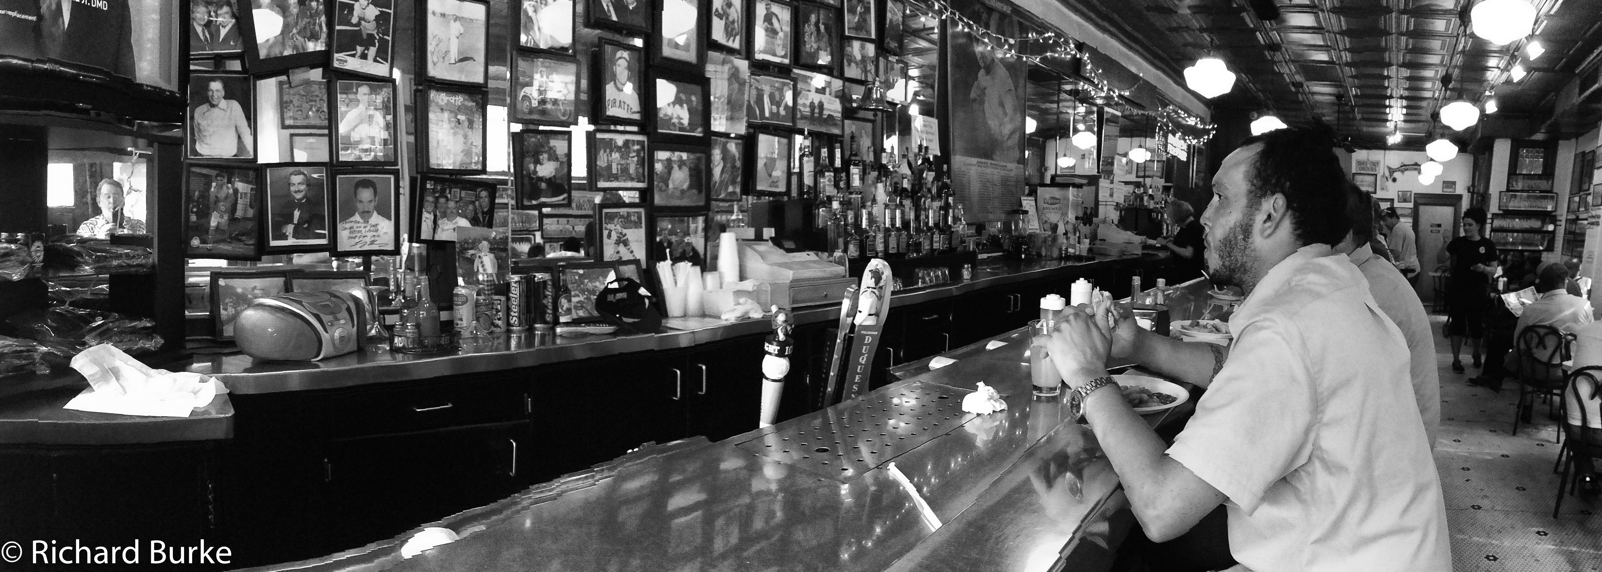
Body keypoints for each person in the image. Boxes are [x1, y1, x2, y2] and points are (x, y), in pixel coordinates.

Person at [1045, 125, 1449, 571]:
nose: (1205, 216)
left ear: (1270, 215)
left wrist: (1087, 374)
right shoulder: (1331, 289)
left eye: (1221, 197)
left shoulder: (1289, 327)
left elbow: (1161, 507)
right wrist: (1138, 344)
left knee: (1130, 550)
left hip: (1341, 559)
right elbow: (1244, 371)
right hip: (1364, 548)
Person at [1337, 190, 1439, 449]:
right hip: (1397, 434)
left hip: (1401, 446)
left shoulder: (1367, 289)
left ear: (1344, 236)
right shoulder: (1365, 270)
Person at [1473, 263, 1594, 393]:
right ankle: (1498, 377)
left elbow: (1518, 344)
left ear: (1541, 283)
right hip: (1569, 368)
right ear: (1565, 282)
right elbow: (1588, 336)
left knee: (1508, 340)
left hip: (1535, 368)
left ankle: (1496, 377)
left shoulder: (1531, 309)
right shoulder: (1584, 305)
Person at [1441, 207, 1499, 374]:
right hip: (1458, 289)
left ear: (1478, 225)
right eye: (1464, 224)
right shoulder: (1458, 243)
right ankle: (1456, 359)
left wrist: (1484, 269)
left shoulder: (1487, 245)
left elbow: (1494, 269)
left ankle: (1476, 352)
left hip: (1477, 290)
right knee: (1457, 326)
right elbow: (1440, 259)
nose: (1466, 228)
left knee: (1476, 326)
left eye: (1470, 224)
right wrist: (1445, 242)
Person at [192, 78, 255, 158]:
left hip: (227, 160)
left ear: (223, 93)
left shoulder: (233, 106)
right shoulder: (199, 111)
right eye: (210, 90)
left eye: (217, 91)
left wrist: (255, 156)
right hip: (204, 159)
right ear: (207, 92)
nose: (214, 94)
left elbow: (245, 134)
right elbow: (197, 135)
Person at [1154, 200, 1205, 282]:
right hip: (1185, 273)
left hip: (1190, 275)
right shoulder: (1186, 227)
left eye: (1170, 216)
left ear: (1177, 215)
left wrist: (1167, 243)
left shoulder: (1193, 228)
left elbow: (1188, 253)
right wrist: (1174, 241)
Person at [76, 179, 146, 237]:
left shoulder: (138, 225)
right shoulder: (88, 227)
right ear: (99, 202)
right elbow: (81, 248)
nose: (112, 201)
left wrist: (132, 237)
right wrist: (100, 238)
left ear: (123, 201)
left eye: (116, 196)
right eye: (108, 197)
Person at [337, 179, 393, 251]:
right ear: (355, 201)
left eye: (370, 202)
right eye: (361, 202)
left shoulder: (390, 227)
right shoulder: (341, 229)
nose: (365, 208)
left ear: (376, 201)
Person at [338, 83, 389, 161]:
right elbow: (342, 131)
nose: (367, 97)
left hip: (375, 157)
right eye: (364, 94)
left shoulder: (376, 113)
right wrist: (359, 119)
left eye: (369, 94)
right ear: (358, 96)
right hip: (358, 156)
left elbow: (385, 131)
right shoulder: (353, 113)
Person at [273, 169, 325, 241]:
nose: (296, 189)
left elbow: (314, 235)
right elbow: (275, 229)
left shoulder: (316, 208)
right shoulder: (285, 206)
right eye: (292, 185)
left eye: (300, 184)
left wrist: (290, 228)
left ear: (308, 186)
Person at [1381, 208, 1419, 280]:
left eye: (1385, 220)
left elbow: (1396, 253)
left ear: (1393, 217)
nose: (1384, 224)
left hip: (1407, 271)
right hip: (1413, 267)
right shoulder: (1404, 226)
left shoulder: (1397, 229)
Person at [603, 50, 640, 120]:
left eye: (625, 68)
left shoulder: (634, 97)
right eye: (619, 66)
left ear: (629, 73)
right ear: (614, 69)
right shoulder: (605, 91)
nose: (622, 71)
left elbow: (636, 123)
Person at [209, 172, 237, 242]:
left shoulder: (227, 188)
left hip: (225, 210)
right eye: (217, 180)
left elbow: (232, 200)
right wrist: (212, 189)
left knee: (225, 226)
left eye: (221, 180)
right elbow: (211, 200)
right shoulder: (214, 188)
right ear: (215, 180)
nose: (219, 182)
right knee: (212, 225)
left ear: (224, 180)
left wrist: (230, 191)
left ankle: (227, 237)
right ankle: (210, 240)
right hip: (215, 211)